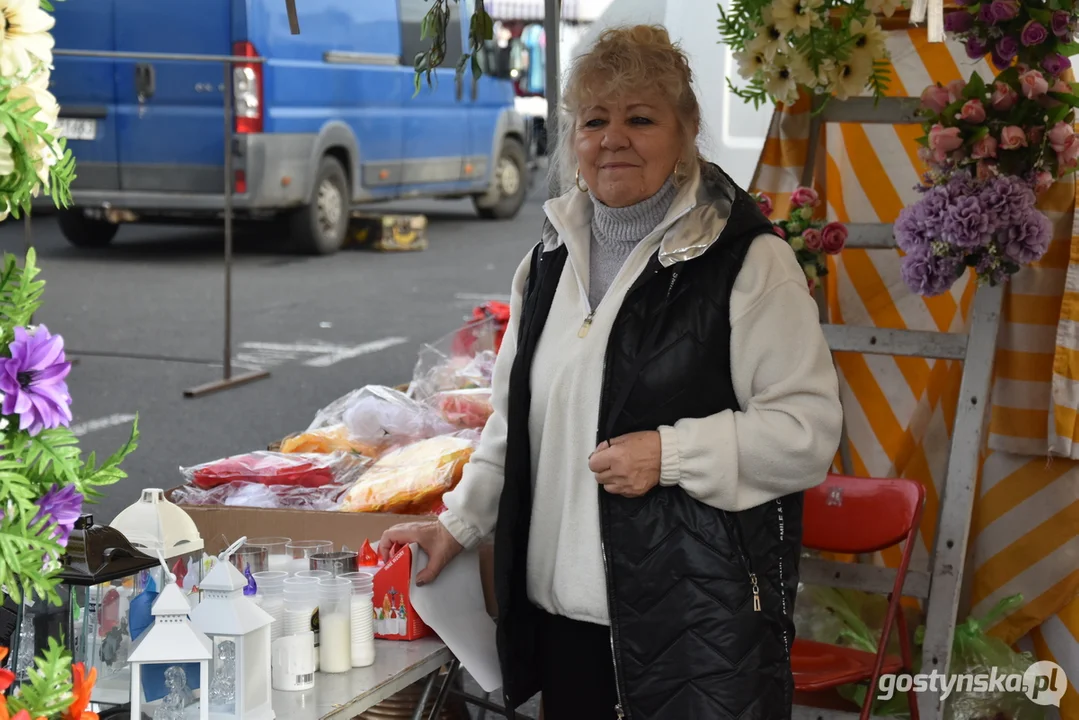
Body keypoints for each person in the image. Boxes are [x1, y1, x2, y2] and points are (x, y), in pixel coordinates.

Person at [381, 24, 844, 720]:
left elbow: (806, 431)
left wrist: (672, 454)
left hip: (694, 632)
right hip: (564, 628)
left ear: (686, 130)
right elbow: (513, 427)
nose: (612, 138)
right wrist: (458, 524)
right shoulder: (546, 264)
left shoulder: (746, 262)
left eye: (640, 118)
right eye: (594, 120)